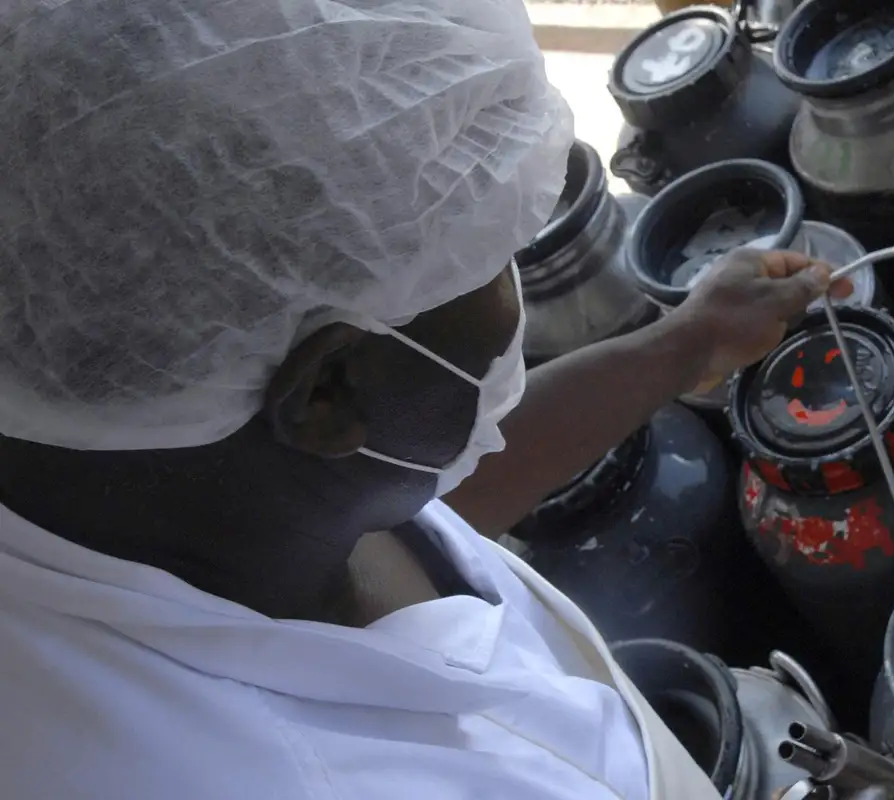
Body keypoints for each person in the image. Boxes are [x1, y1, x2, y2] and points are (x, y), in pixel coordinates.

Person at [0, 1, 850, 798]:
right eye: (494, 248)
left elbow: (422, 500)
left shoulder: (170, 491)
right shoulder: (284, 773)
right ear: (328, 388)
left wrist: (686, 343)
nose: (515, 273)